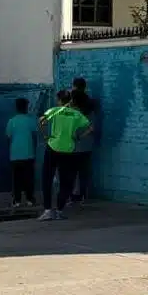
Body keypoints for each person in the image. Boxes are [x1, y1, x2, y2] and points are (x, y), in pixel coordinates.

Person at [38, 89, 90, 221]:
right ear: (70, 100)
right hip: (68, 149)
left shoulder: (54, 110)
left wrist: (45, 135)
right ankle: (60, 210)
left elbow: (41, 120)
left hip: (53, 147)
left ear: (59, 100)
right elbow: (90, 128)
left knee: (47, 178)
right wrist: (78, 137)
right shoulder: (76, 114)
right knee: (66, 181)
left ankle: (48, 210)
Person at [5, 97, 39, 209]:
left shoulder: (11, 121)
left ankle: (17, 200)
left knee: (16, 179)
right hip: (29, 153)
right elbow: (35, 136)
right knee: (29, 178)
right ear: (26, 107)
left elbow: (8, 137)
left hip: (15, 155)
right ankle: (30, 199)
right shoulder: (31, 120)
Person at [68, 77, 98, 206]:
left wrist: (77, 137)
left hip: (74, 145)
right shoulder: (90, 106)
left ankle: (74, 195)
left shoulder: (73, 111)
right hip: (87, 145)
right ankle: (82, 195)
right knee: (84, 171)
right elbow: (92, 128)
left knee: (72, 171)